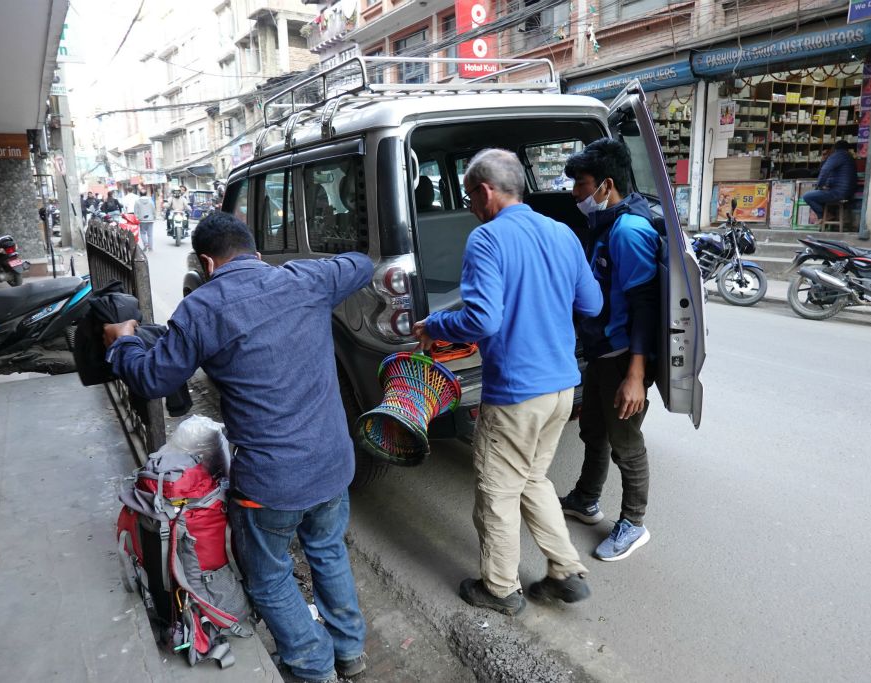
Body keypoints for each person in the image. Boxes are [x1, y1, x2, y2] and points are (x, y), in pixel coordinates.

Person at [103, 212, 371, 683]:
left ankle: (314, 667)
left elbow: (153, 378)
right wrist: (305, 271)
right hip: (333, 463)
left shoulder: (201, 309)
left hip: (269, 482)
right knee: (328, 552)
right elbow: (361, 265)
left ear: (207, 262)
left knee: (269, 577)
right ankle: (350, 652)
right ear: (256, 254)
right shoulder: (307, 279)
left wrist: (122, 343)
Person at [412, 149, 602, 616]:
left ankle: (499, 588)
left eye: (471, 197)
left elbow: (481, 319)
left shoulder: (486, 239)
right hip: (561, 387)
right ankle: (565, 571)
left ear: (484, 191)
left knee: (497, 491)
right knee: (533, 478)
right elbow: (593, 304)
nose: (472, 207)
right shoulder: (561, 233)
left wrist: (433, 325)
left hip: (517, 394)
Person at [558, 138, 660, 562]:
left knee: (625, 439)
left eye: (581, 185)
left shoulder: (630, 232)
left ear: (606, 185)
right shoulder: (608, 223)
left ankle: (634, 523)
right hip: (602, 353)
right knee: (593, 429)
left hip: (623, 357)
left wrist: (635, 377)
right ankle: (586, 498)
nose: (575, 194)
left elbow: (645, 307)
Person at [802, 140, 857, 220]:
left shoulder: (838, 155)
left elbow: (825, 170)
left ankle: (824, 216)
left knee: (807, 196)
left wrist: (820, 186)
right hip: (849, 192)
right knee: (819, 196)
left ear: (834, 148)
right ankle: (829, 217)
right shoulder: (850, 158)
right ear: (847, 149)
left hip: (838, 192)